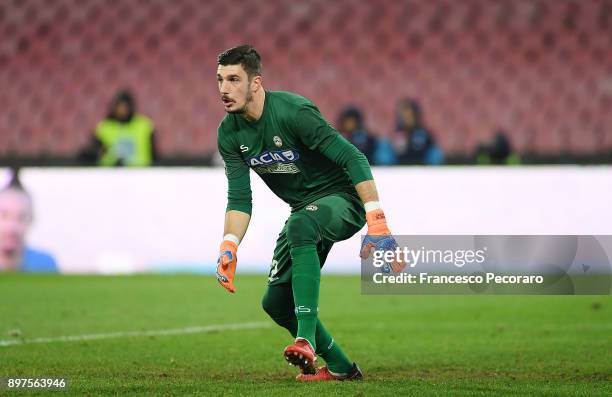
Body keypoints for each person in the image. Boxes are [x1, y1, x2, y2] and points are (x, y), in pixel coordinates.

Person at [214, 45, 403, 382]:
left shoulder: (293, 112)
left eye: (233, 79)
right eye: (219, 80)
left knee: (301, 225)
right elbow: (240, 198)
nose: (224, 89)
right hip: (305, 211)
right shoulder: (229, 133)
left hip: (343, 199)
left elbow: (354, 158)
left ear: (255, 83)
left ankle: (305, 341)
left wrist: (378, 222)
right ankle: (343, 367)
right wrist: (229, 245)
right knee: (275, 302)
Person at [78, 90, 157, 166]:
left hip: (141, 174)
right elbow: (93, 151)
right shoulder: (104, 128)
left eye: (125, 107)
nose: (122, 110)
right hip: (111, 175)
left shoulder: (144, 126)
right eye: (119, 107)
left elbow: (154, 154)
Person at [0, 170, 58, 272]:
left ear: (31, 220)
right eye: (4, 216)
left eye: (21, 218)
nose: (12, 227)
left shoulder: (45, 265)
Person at [393, 98, 444, 165]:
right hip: (399, 168)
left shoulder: (424, 133)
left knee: (435, 154)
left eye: (410, 115)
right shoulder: (396, 134)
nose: (407, 118)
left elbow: (431, 150)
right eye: (404, 116)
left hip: (422, 168)